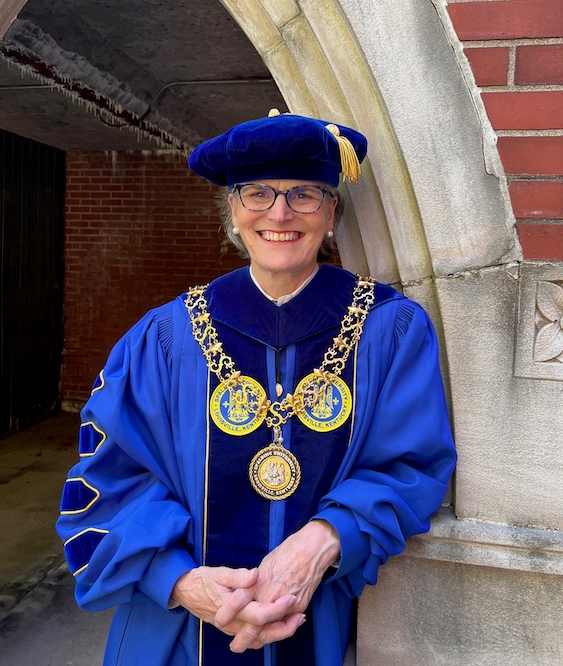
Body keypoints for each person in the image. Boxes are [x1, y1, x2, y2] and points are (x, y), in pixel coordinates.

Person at [57, 110, 456, 666]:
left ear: (332, 210)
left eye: (305, 194)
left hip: (323, 627)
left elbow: (411, 466)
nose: (280, 213)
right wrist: (181, 582)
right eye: (257, 193)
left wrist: (322, 541)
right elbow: (106, 481)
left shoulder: (390, 331)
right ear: (232, 207)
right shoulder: (166, 338)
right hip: (180, 635)